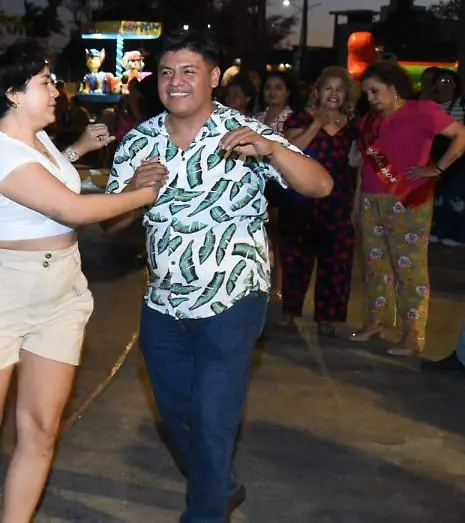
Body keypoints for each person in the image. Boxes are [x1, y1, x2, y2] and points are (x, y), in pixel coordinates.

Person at [105, 29, 333, 523]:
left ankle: (206, 512)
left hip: (234, 295)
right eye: (167, 72)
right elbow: (110, 221)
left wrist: (272, 152)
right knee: (176, 416)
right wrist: (135, 195)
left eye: (189, 71)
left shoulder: (245, 133)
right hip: (163, 303)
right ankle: (221, 485)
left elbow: (320, 185)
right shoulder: (138, 142)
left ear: (212, 77)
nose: (176, 81)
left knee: (212, 417)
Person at [0, 40, 163, 521]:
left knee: (42, 428)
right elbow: (70, 208)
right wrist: (141, 195)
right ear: (13, 94)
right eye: (45, 83)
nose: (57, 92)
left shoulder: (39, 139)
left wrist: (78, 150)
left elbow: (49, 178)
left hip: (60, 292)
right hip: (0, 292)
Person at [349, 61, 465, 355]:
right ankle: (375, 321)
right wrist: (357, 200)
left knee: (409, 269)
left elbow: (464, 135)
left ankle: (412, 334)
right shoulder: (370, 121)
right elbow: (364, 165)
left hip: (407, 200)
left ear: (393, 87)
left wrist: (439, 169)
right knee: (375, 265)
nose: (371, 97)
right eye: (367, 92)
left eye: (376, 90)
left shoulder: (423, 111)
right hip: (370, 198)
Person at [278, 66, 360, 335]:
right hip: (303, 198)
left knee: (336, 260)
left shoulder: (353, 127)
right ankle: (289, 310)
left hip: (338, 200)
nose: (333, 94)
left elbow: (355, 164)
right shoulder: (300, 118)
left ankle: (328, 316)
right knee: (296, 257)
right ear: (317, 91)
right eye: (328, 88)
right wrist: (317, 124)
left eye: (340, 89)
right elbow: (291, 151)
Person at [423, 67, 465, 246]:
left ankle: (459, 234)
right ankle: (439, 229)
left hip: (460, 156)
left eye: (450, 81)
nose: (446, 85)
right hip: (435, 154)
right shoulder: (428, 104)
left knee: (459, 194)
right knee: (439, 194)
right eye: (442, 81)